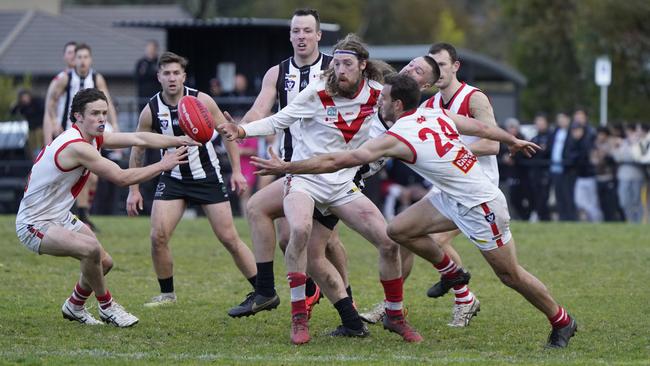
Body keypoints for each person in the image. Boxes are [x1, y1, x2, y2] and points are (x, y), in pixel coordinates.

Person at [252, 73, 578, 349]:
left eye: (384, 100)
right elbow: (478, 127)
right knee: (397, 231)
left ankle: (561, 320)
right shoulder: (434, 112)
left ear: (397, 105)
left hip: (481, 206)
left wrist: (288, 166)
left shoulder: (397, 137)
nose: (379, 103)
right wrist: (512, 140)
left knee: (510, 275)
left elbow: (337, 160)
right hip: (451, 198)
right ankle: (448, 272)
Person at [220, 35, 441, 345]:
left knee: (388, 242)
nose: (339, 70)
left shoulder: (378, 93)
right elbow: (278, 120)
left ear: (363, 66)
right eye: (336, 63)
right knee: (298, 230)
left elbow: (406, 109)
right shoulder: (316, 91)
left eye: (347, 64)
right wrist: (241, 130)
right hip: (304, 179)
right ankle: (298, 316)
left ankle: (394, 315)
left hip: (342, 186)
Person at [15, 88, 198, 327]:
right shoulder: (77, 146)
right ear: (78, 117)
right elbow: (122, 178)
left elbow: (139, 137)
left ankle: (74, 306)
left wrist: (177, 140)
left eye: (104, 112)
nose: (102, 118)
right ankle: (108, 306)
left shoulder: (93, 137)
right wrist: (163, 164)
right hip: (34, 224)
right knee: (90, 249)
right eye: (95, 114)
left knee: (104, 263)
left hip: (57, 216)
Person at [361, 42, 497, 328]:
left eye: (441, 64)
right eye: (421, 64)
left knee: (433, 242)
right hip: (446, 184)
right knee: (404, 236)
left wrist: (450, 149)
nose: (430, 69)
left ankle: (461, 292)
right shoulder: (428, 105)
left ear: (453, 67)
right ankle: (395, 305)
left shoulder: (474, 98)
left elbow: (493, 142)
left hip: (476, 184)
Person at [226, 9, 349, 323]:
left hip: (328, 169)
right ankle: (302, 288)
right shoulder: (277, 73)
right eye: (296, 31)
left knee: (327, 242)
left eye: (308, 31)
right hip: (292, 170)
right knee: (286, 238)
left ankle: (346, 298)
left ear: (319, 35)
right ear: (290, 35)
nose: (302, 37)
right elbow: (259, 111)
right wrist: (239, 127)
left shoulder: (335, 69)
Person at [125, 52, 257, 309]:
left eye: (176, 73)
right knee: (157, 237)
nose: (172, 78)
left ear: (183, 76)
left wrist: (238, 171)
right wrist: (134, 189)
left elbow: (228, 134)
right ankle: (167, 295)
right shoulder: (151, 110)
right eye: (167, 73)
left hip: (207, 176)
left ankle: (262, 290)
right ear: (159, 77)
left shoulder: (201, 100)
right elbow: (138, 148)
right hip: (173, 178)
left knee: (229, 238)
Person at [43, 43, 120, 231]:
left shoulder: (96, 78)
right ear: (73, 60)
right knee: (77, 175)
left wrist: (115, 126)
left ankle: (80, 214)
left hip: (90, 134)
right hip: (71, 134)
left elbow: (107, 101)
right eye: (79, 57)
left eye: (86, 57)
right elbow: (51, 101)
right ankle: (77, 215)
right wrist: (53, 121)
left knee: (91, 178)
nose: (82, 61)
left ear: (90, 60)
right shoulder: (65, 79)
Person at [548, 112, 577, 220]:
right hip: (555, 168)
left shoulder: (571, 133)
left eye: (563, 119)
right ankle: (562, 217)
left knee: (568, 195)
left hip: (567, 169)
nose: (561, 121)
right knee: (558, 194)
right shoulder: (555, 132)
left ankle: (571, 217)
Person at [11, 89, 45, 159]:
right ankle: (34, 160)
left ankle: (41, 158)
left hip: (40, 128)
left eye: (26, 97)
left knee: (40, 144)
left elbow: (43, 109)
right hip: (31, 129)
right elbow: (13, 112)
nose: (25, 99)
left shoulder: (36, 101)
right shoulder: (22, 106)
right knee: (32, 147)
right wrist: (15, 105)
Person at [135, 40, 161, 111]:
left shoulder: (159, 63)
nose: (150, 51)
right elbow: (137, 77)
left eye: (152, 49)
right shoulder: (141, 63)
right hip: (143, 98)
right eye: (148, 49)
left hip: (155, 96)